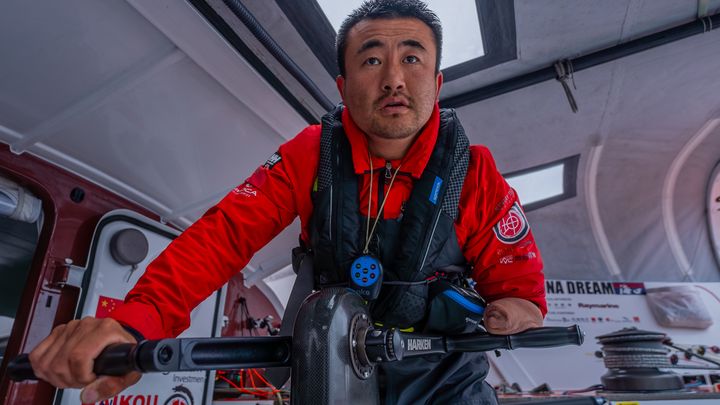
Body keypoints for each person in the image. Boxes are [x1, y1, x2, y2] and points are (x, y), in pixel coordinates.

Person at [28, 0, 546, 403]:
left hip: (447, 382)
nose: (393, 78)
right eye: (372, 60)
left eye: (412, 57)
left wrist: (520, 307)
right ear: (343, 87)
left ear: (436, 82)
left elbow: (517, 280)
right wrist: (134, 322)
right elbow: (223, 236)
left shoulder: (474, 172)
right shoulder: (310, 156)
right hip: (332, 372)